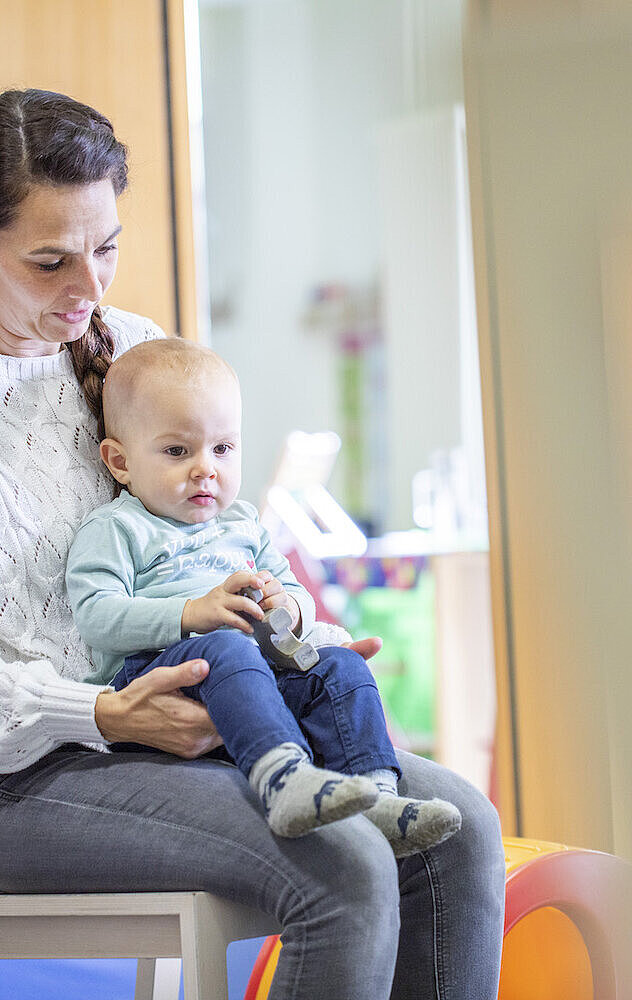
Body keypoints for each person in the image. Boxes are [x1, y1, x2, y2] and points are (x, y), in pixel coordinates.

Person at [0, 87, 504, 999]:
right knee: (341, 859)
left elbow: (207, 539)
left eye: (106, 247)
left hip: (186, 707)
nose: (90, 289)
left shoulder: (130, 353)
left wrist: (282, 632)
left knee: (461, 825)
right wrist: (103, 715)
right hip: (30, 768)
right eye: (48, 262)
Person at [66, 337, 461, 852]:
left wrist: (289, 605)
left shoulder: (243, 524)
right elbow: (97, 615)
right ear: (120, 462)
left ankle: (377, 796)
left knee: (340, 666)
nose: (205, 467)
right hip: (159, 678)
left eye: (222, 448)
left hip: (252, 676)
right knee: (225, 647)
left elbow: (293, 589)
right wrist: (192, 614)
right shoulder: (118, 528)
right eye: (177, 451)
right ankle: (285, 780)